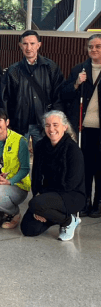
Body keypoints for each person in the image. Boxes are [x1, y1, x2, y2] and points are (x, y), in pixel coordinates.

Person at [21, 111, 85, 241]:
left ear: (64, 127)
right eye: (48, 125)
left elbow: (71, 183)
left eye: (55, 125)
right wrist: (39, 196)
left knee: (36, 204)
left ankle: (69, 221)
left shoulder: (73, 150)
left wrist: (43, 202)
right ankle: (54, 215)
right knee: (28, 229)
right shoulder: (40, 146)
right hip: (48, 194)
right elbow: (37, 176)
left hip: (72, 195)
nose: (51, 129)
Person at [1, 30, 64, 149]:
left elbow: (58, 95)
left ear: (39, 45)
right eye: (25, 44)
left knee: (43, 159)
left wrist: (56, 120)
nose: (28, 47)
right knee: (17, 159)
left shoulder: (50, 67)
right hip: (19, 123)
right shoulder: (13, 70)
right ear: (20, 46)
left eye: (32, 43)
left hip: (44, 123)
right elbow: (6, 98)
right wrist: (7, 120)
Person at [61, 34, 101, 217]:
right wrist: (77, 83)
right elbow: (65, 94)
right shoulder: (79, 69)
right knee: (84, 166)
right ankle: (83, 201)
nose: (93, 50)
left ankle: (98, 202)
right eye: (91, 47)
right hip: (83, 128)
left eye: (98, 46)